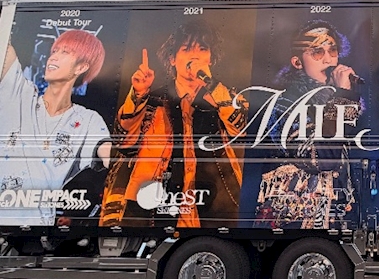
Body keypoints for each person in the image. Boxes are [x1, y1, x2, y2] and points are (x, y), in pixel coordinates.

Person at [100, 20, 247, 228]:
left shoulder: (226, 97)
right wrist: (139, 93)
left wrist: (211, 85)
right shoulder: (151, 99)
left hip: (212, 205)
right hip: (151, 205)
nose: (194, 56)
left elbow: (242, 132)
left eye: (202, 49)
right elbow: (124, 141)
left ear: (211, 58)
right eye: (186, 49)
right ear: (172, 59)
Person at [255, 20, 362, 229]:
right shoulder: (285, 103)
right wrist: (343, 96)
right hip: (292, 222)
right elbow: (322, 158)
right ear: (297, 62)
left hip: (332, 219)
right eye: (317, 52)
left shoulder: (332, 101)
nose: (328, 59)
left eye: (332, 50)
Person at [0, 30, 111, 226]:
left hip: (39, 224)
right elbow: (5, 45)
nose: (53, 57)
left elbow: (112, 157)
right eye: (54, 51)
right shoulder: (21, 95)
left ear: (81, 67)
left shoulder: (87, 120)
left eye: (64, 52)